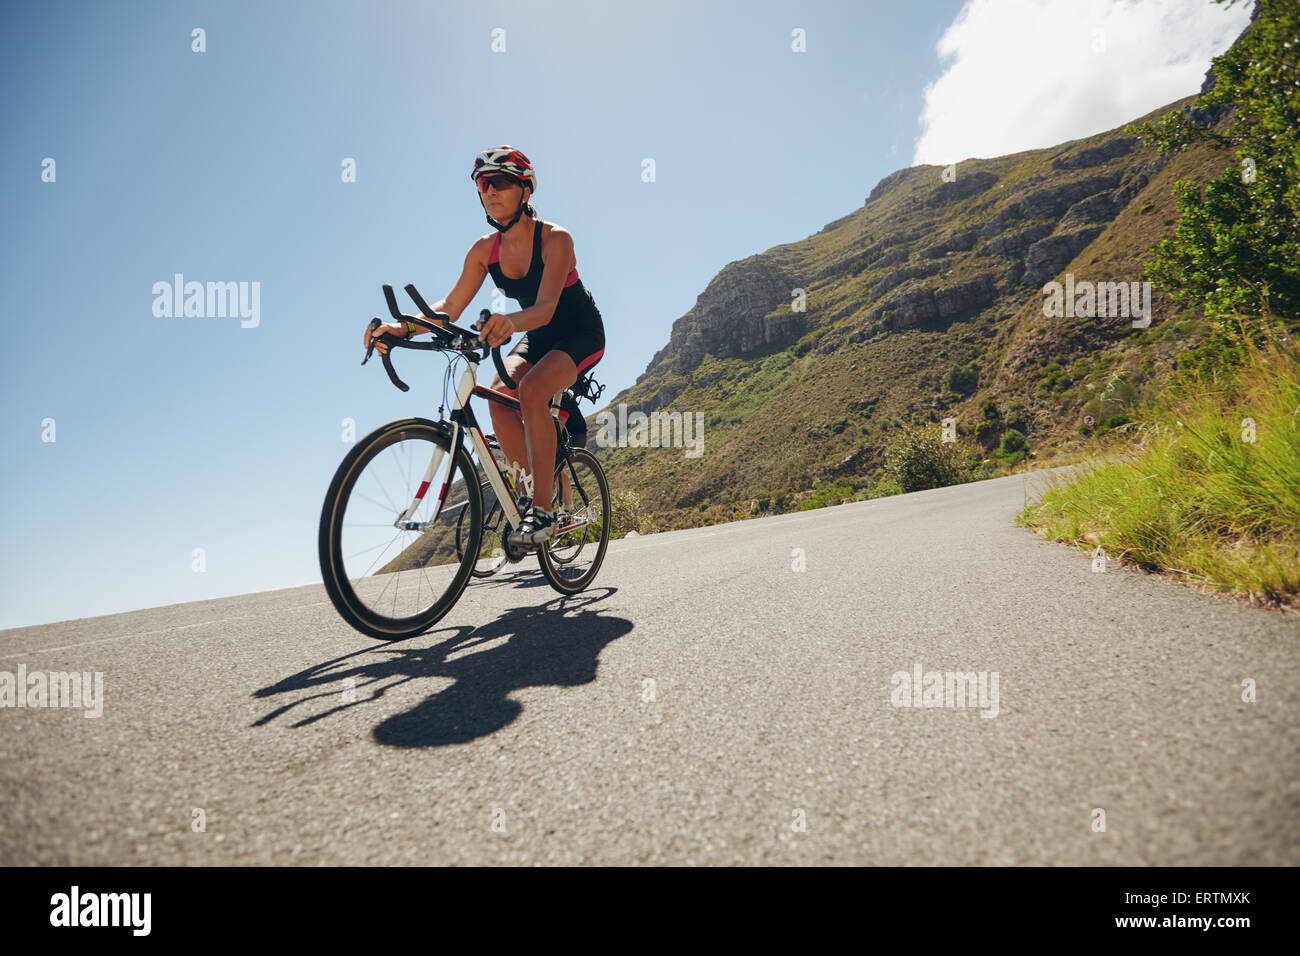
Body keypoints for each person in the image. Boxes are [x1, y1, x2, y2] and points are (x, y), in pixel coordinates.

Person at [363, 145, 605, 545]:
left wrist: (508, 321)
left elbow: (545, 308)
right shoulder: (483, 250)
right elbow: (450, 307)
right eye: (482, 184)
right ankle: (531, 493)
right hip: (538, 335)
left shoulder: (556, 239)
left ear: (525, 190)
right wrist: (400, 328)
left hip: (579, 331)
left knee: (531, 391)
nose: (489, 191)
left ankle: (543, 512)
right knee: (496, 396)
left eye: (500, 182)